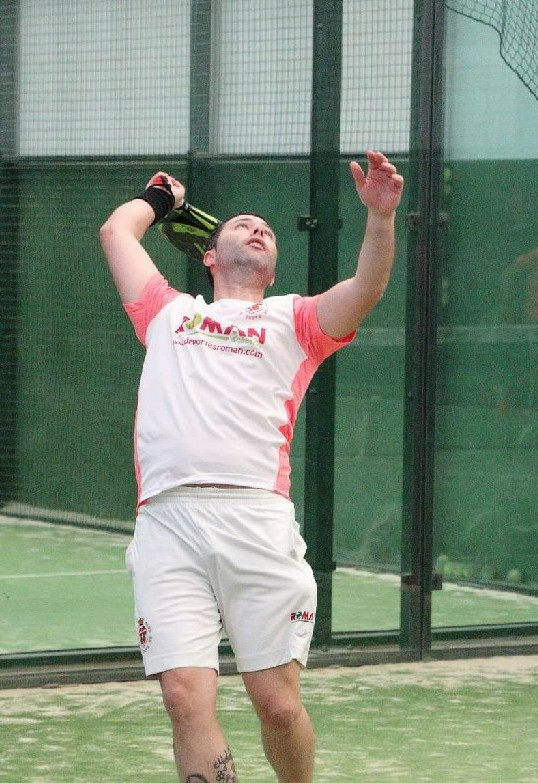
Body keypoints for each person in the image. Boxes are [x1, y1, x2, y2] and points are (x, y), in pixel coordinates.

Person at [99, 150, 404, 783]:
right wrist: (162, 198)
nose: (257, 229)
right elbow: (116, 231)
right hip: (168, 523)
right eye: (241, 225)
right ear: (209, 254)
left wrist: (380, 217)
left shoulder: (297, 320)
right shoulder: (167, 312)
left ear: (274, 266)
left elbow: (367, 288)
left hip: (257, 522)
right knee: (184, 697)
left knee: (278, 706)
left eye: (265, 229)